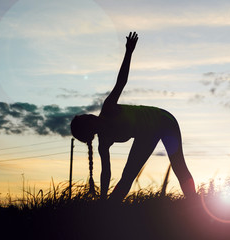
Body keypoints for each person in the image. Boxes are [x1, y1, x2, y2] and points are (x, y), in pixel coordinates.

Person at [71, 32, 196, 202]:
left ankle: (195, 203)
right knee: (127, 176)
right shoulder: (103, 143)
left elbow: (121, 82)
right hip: (146, 135)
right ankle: (108, 209)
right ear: (89, 129)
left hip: (164, 121)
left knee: (178, 166)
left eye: (86, 115)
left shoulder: (108, 108)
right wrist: (102, 200)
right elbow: (105, 173)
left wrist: (128, 52)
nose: (89, 115)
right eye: (86, 119)